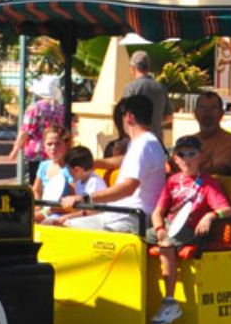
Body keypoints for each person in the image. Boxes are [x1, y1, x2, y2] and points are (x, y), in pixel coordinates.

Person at [148, 137, 231, 324]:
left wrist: (210, 216)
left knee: (166, 244)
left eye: (191, 154)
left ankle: (170, 302)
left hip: (191, 230)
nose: (186, 159)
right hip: (168, 226)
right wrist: (160, 229)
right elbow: (158, 212)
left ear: (201, 157)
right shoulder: (172, 181)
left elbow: (227, 210)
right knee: (133, 239)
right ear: (175, 159)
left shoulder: (208, 183)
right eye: (181, 154)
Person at [69, 94, 167, 234]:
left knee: (67, 230)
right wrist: (92, 163)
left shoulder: (143, 145)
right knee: (60, 224)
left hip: (132, 217)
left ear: (129, 117)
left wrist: (86, 198)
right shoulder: (147, 142)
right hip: (120, 213)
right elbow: (125, 160)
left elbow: (128, 188)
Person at [15, 76, 66, 184]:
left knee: (35, 182)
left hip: (36, 151)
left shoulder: (35, 108)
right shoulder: (61, 109)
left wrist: (16, 149)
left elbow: (25, 130)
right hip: (56, 150)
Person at [38, 145, 104, 226]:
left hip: (96, 220)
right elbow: (80, 209)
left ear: (77, 170)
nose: (69, 173)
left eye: (69, 170)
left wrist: (67, 217)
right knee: (48, 222)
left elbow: (94, 211)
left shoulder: (95, 182)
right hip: (85, 218)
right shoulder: (79, 182)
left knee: (58, 223)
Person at [187, 90, 231, 176]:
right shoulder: (186, 142)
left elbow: (220, 170)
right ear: (195, 113)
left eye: (213, 108)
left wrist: (186, 170)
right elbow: (171, 166)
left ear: (222, 113)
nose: (207, 113)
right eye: (203, 108)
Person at [121, 50, 170, 140]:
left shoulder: (130, 88)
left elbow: (125, 116)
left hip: (137, 139)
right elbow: (168, 116)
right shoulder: (161, 88)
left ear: (133, 68)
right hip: (157, 139)